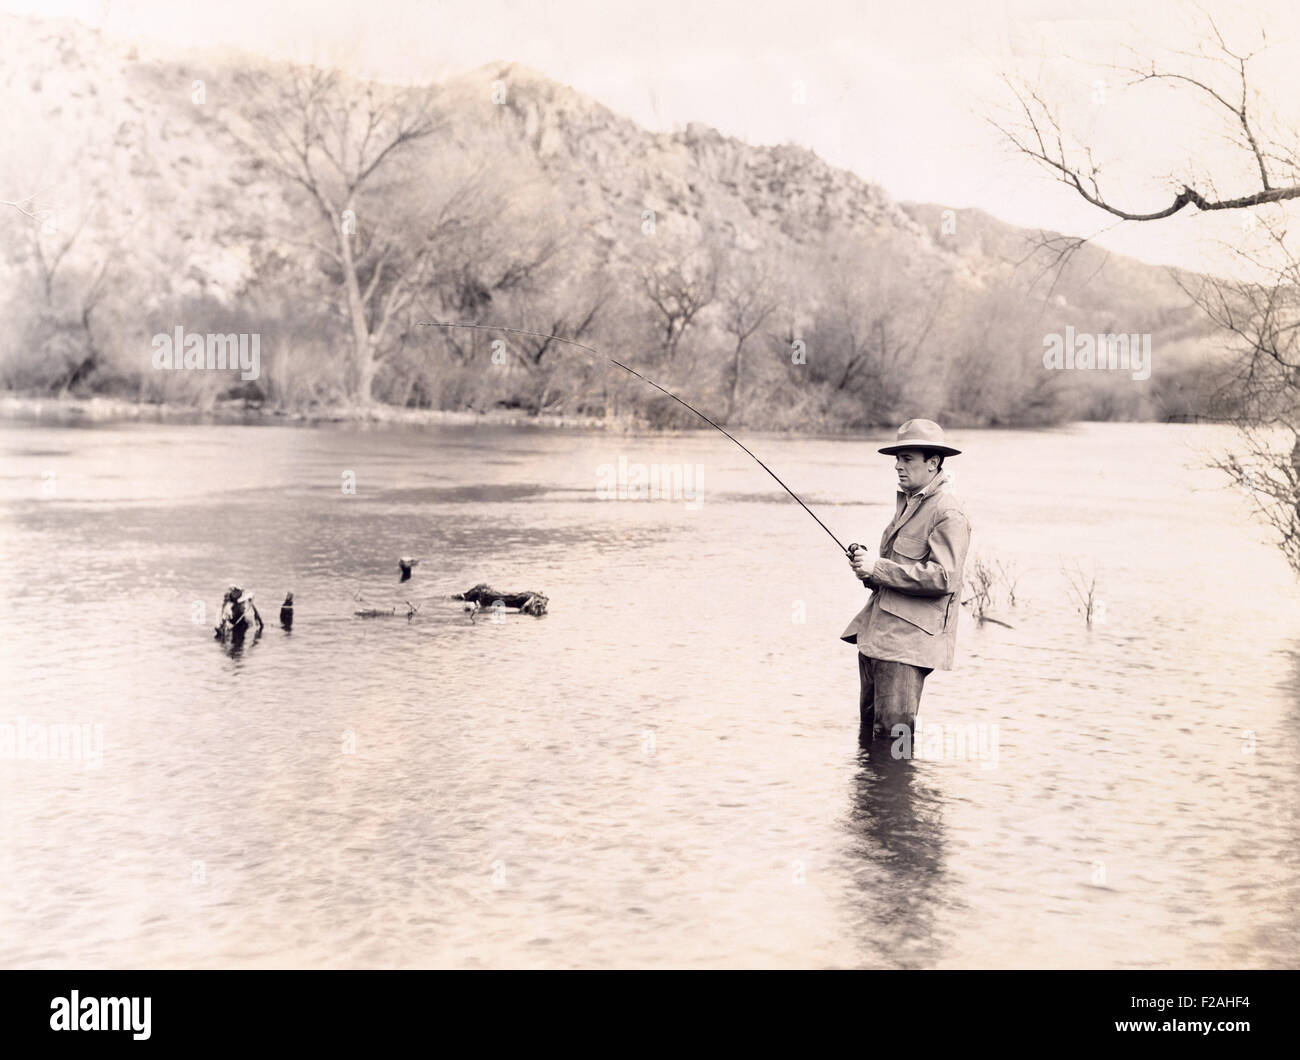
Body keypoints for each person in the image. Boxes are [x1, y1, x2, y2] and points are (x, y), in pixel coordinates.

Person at [841, 419, 971, 746]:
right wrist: (868, 570)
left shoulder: (947, 512)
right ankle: (874, 798)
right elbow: (897, 571)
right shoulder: (911, 502)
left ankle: (894, 797)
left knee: (893, 743)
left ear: (933, 463)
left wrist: (879, 568)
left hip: (906, 647)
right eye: (897, 459)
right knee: (870, 739)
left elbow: (944, 577)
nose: (898, 466)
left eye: (907, 459)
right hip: (877, 639)